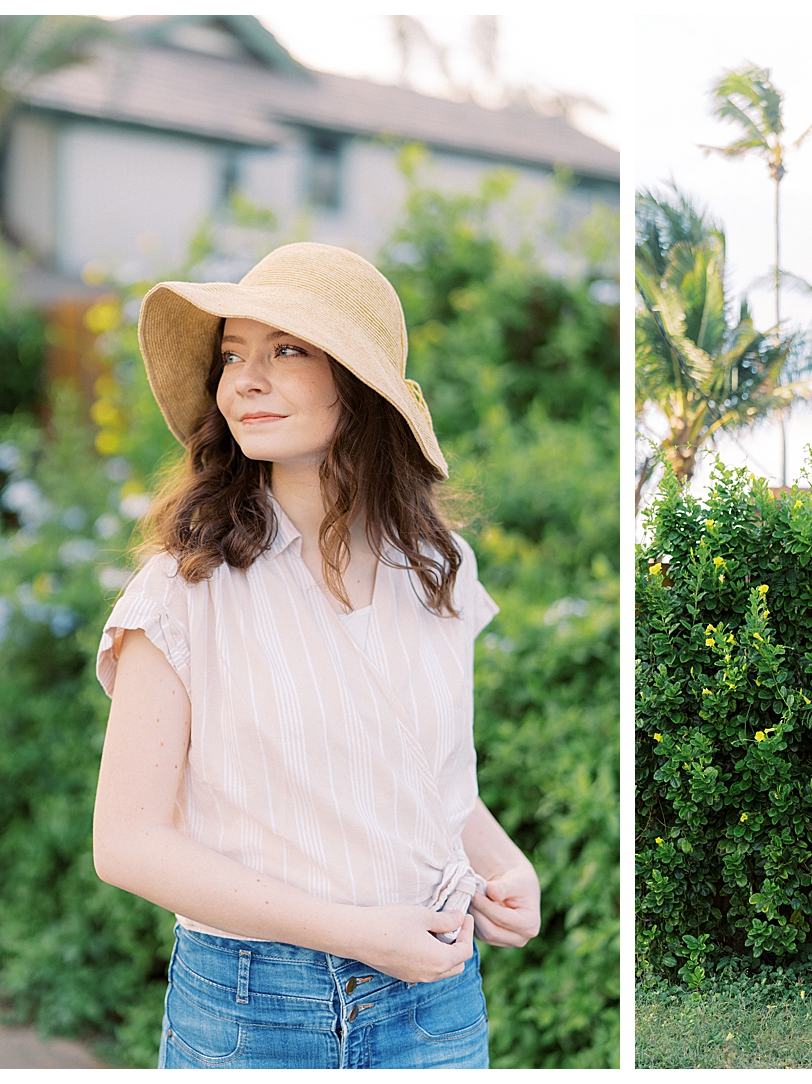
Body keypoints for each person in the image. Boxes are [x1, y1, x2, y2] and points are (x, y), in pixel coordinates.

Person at [91, 242, 540, 1069]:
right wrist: (360, 933)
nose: (245, 381)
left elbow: (426, 779)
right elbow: (126, 844)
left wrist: (503, 865)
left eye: (287, 350)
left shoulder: (438, 569)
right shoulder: (181, 589)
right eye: (232, 356)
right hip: (251, 1007)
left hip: (434, 1003)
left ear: (358, 383)